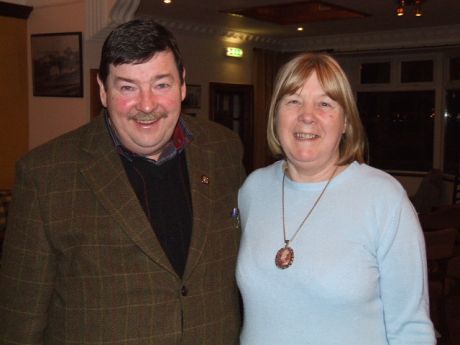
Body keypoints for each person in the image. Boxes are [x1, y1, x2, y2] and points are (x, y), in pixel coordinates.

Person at [0, 19, 245, 344]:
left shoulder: (224, 149)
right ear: (103, 90)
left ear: (183, 85)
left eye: (161, 85)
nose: (146, 105)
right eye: (127, 87)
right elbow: (20, 322)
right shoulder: (45, 174)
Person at [236, 53, 435, 344]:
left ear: (345, 122)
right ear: (275, 115)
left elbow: (411, 328)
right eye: (293, 101)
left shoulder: (383, 198)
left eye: (325, 103)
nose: (307, 115)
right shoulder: (253, 189)